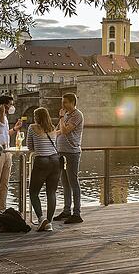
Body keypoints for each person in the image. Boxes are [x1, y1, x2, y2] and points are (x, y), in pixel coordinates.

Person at [26, 107, 61, 232]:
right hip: (55, 161)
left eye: (35, 116)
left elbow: (30, 146)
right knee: (51, 192)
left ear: (37, 117)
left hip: (42, 161)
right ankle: (49, 222)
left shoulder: (32, 128)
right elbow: (55, 145)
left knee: (33, 192)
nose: (34, 118)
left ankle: (41, 219)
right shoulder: (53, 128)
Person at [54, 93, 84, 224]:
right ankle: (67, 211)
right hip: (61, 152)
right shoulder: (66, 115)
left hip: (72, 152)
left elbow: (66, 130)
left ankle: (77, 213)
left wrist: (60, 117)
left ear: (73, 102)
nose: (63, 105)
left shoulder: (77, 115)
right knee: (64, 182)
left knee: (73, 182)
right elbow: (60, 131)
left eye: (65, 102)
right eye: (62, 102)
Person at [0, 95, 23, 212]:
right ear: (3, 105)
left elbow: (4, 134)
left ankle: (2, 209)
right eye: (10, 104)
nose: (11, 107)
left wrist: (14, 129)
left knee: (4, 183)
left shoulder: (4, 118)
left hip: (7, 151)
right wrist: (1, 115)